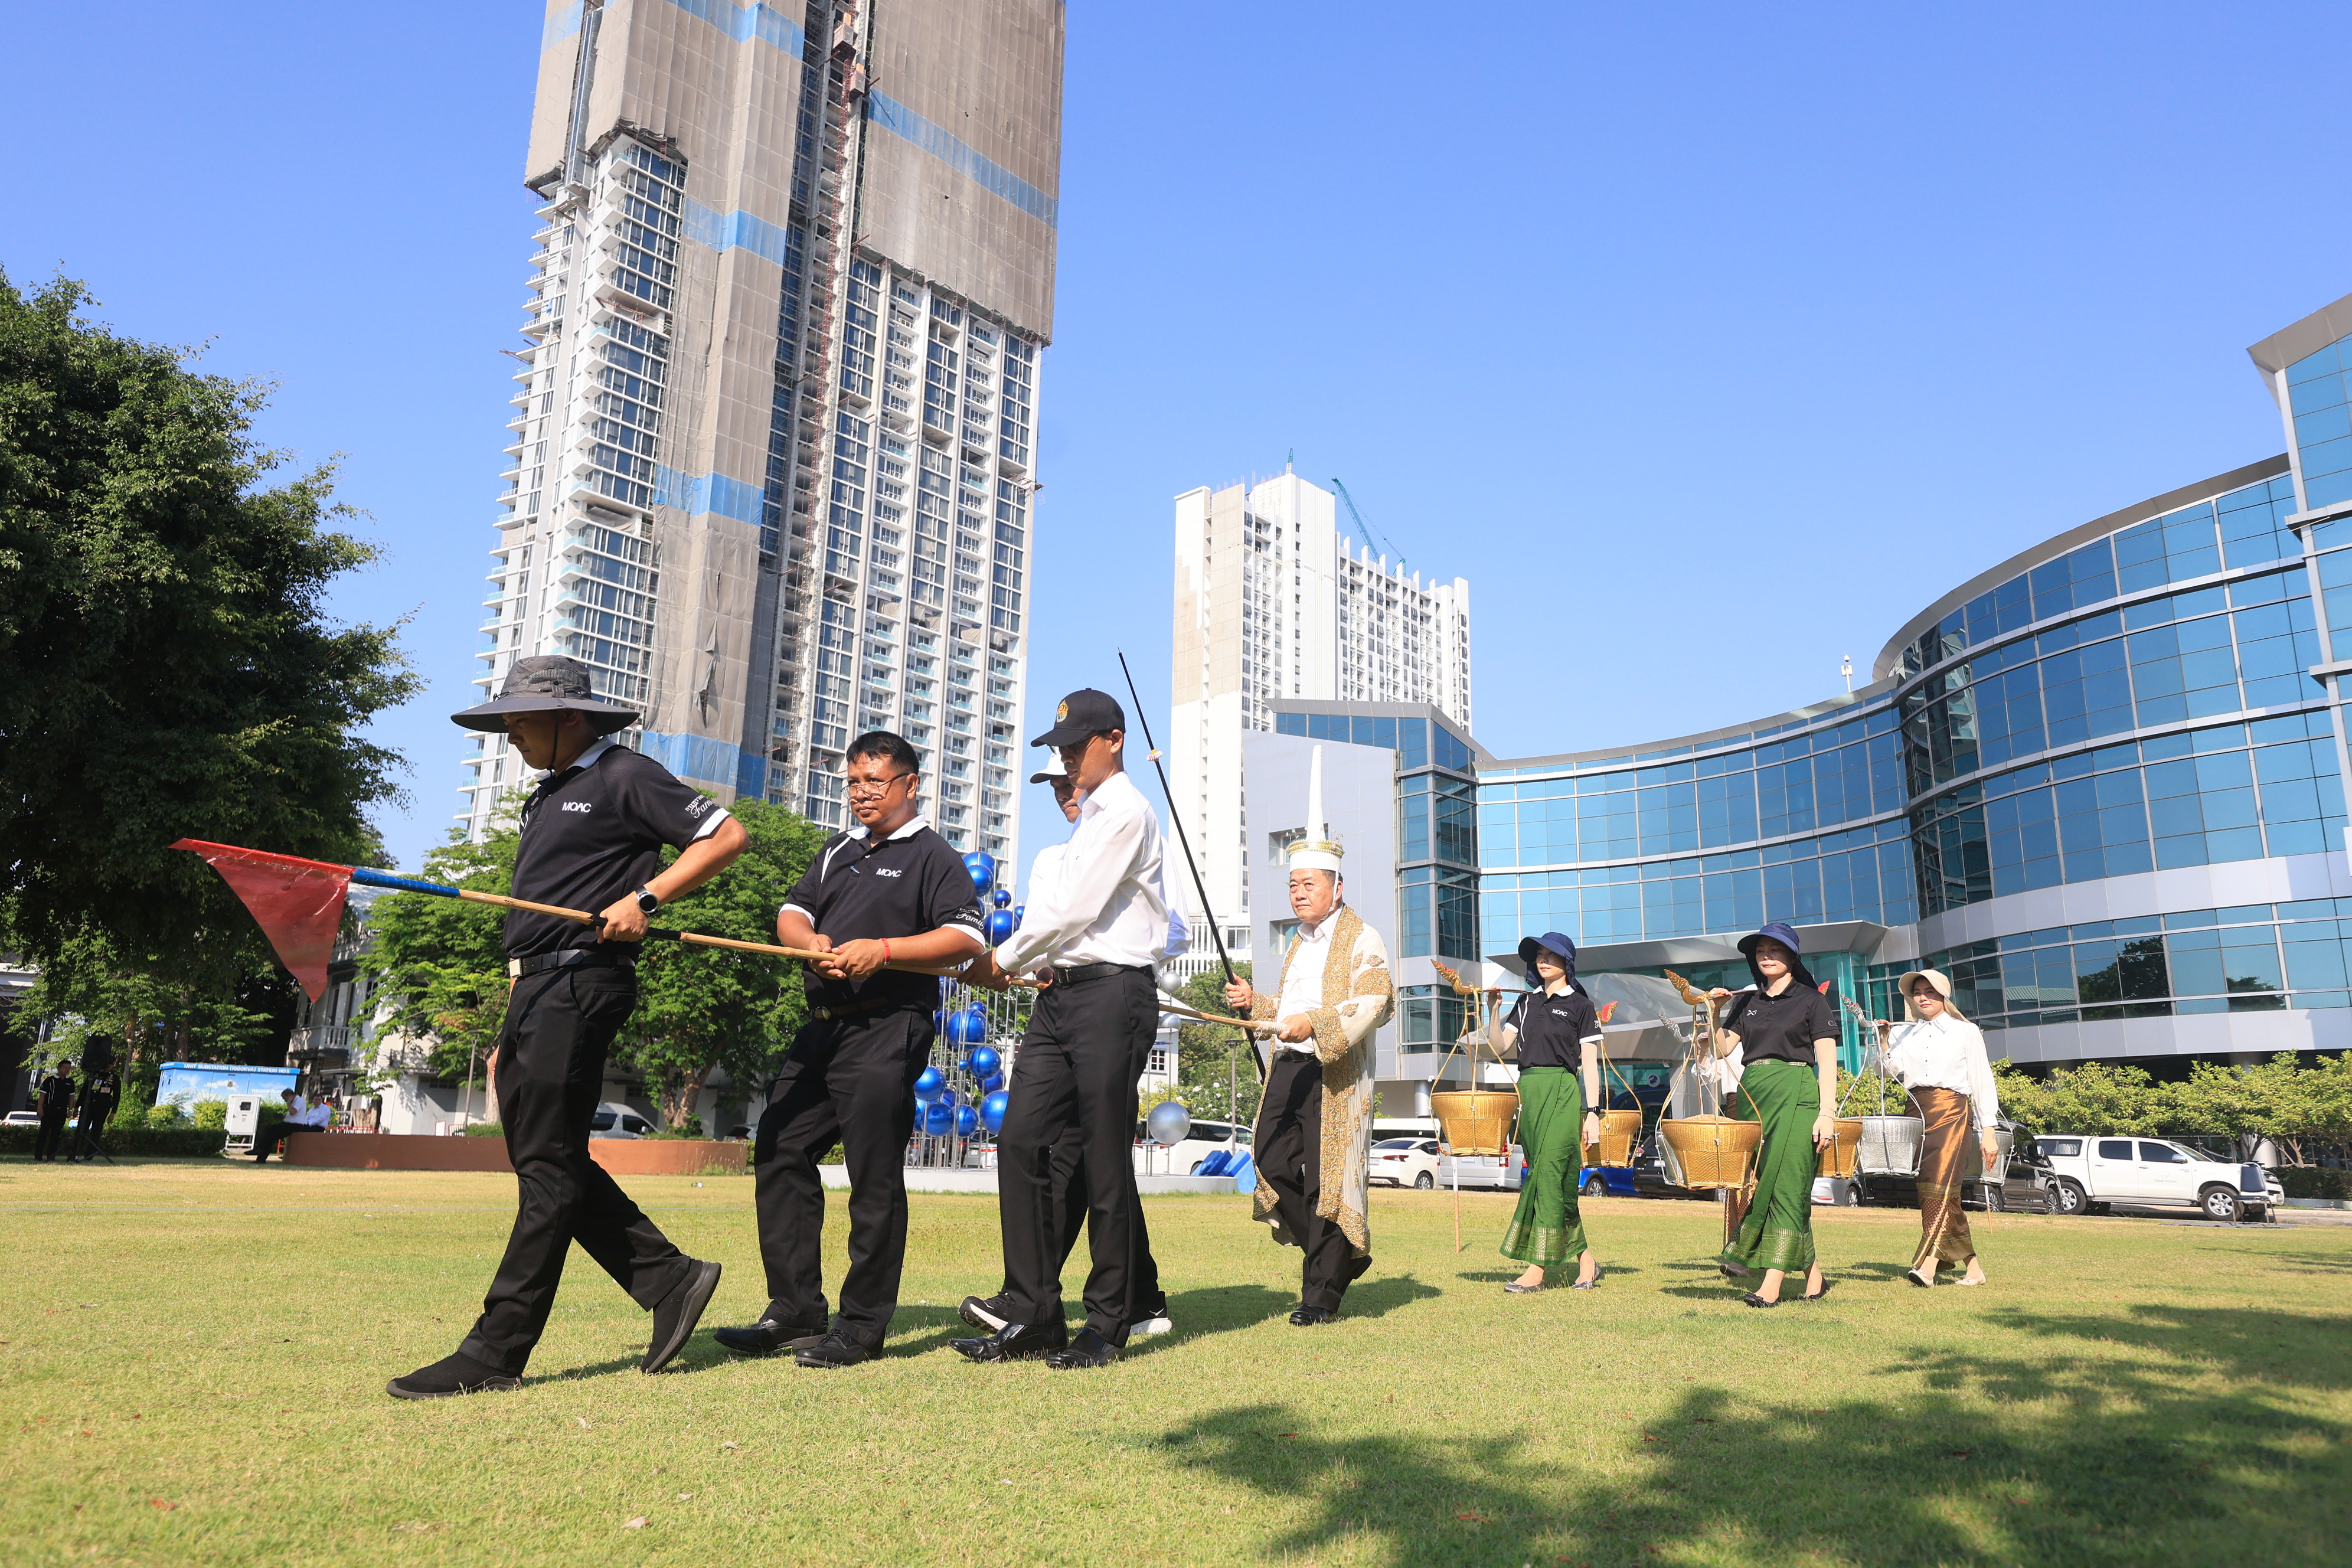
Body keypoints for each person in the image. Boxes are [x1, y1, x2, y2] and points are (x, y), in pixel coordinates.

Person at [387, 655, 748, 1400]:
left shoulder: (624, 774)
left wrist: (645, 898)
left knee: (548, 1166)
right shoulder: (550, 794)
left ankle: (496, 1349)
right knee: (541, 1155)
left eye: (522, 720)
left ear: (570, 720)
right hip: (533, 988)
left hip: (584, 979)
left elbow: (726, 836)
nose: (511, 734)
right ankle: (669, 1277)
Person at [711, 730, 985, 1369]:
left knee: (874, 1173)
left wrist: (883, 949)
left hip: (889, 1023)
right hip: (824, 1023)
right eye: (854, 781)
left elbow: (966, 937)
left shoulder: (933, 856)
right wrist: (808, 942)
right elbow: (791, 911)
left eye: (876, 781)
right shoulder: (837, 849)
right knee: (780, 1146)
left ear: (910, 785)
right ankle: (796, 1310)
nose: (863, 793)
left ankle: (861, 1324)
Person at [955, 688, 1172, 1369]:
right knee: (1019, 1137)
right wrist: (1023, 961)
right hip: (1059, 996)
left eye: (1077, 745)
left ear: (1114, 738)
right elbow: (1060, 918)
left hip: (1113, 996)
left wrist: (1000, 959)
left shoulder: (1128, 812)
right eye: (1062, 748)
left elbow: (1075, 910)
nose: (1068, 758)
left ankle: (1107, 1322)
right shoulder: (1088, 821)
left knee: (1103, 1156)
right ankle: (1032, 1310)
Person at [1221, 746, 1394, 1325]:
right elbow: (1285, 1010)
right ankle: (1336, 1254)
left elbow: (1377, 999)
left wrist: (1316, 1023)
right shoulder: (1295, 943)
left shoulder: (1364, 937)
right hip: (1288, 1067)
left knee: (1326, 1179)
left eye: (1310, 884)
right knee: (1269, 1165)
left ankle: (1321, 1294)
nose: (1298, 892)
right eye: (1294, 884)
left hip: (1333, 1071)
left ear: (1336, 887)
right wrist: (1256, 1004)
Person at [1709, 921, 1838, 1307]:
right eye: (1761, 950)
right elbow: (1720, 1049)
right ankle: (1814, 1279)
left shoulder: (1812, 1000)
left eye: (1775, 949)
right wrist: (1714, 1013)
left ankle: (1771, 1285)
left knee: (1785, 1181)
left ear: (1792, 956)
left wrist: (1827, 1112)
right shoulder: (1745, 1001)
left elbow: (1827, 1060)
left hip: (1797, 1092)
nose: (1766, 955)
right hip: (1753, 1095)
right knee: (1780, 1183)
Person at [1487, 933, 1606, 1292]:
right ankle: (1586, 1261)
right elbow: (1499, 1046)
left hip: (1563, 1092)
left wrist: (1593, 1113)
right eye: (1539, 955)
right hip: (1531, 1092)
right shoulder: (1524, 1003)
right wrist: (1493, 1009)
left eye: (1550, 955)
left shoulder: (1581, 1006)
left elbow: (1590, 1063)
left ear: (1566, 962)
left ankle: (1536, 1270)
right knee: (1546, 1175)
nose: (1542, 960)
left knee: (1549, 1174)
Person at [1873, 969, 2000, 1288]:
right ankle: (1973, 1269)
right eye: (1917, 992)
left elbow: (1982, 1080)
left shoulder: (1966, 1031)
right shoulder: (1904, 1033)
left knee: (1942, 1186)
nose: (1923, 997)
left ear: (1944, 994)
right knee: (1932, 1188)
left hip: (1953, 1112)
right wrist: (1884, 1039)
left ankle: (1928, 1267)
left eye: (1930, 991)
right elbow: (1886, 1073)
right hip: (1915, 1114)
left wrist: (1988, 1131)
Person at [253, 1089, 319, 1162]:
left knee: (270, 1136)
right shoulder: (294, 1101)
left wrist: (288, 1103)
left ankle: (260, 1155)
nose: (284, 1101)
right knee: (268, 1129)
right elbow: (294, 1114)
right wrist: (284, 1116)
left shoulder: (299, 1101)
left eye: (285, 1099)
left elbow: (293, 1111)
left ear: (290, 1096)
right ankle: (259, 1151)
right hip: (288, 1123)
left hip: (294, 1126)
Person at [69, 1069, 116, 1162]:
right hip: (88, 1107)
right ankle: (74, 1155)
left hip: (102, 1108)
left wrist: (113, 1112)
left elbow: (116, 1096)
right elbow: (84, 1091)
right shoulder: (93, 1075)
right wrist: (77, 1106)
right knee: (81, 1130)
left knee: (96, 1132)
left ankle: (89, 1157)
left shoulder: (114, 1078)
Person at [32, 1064, 71, 1163]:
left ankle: (52, 1155)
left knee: (56, 1134)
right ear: (59, 1068)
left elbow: (72, 1096)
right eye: (65, 1068)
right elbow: (42, 1095)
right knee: (44, 1132)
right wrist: (40, 1108)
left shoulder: (70, 1081)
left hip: (61, 1110)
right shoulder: (50, 1080)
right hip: (49, 1109)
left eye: (69, 1068)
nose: (67, 1070)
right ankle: (38, 1155)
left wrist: (70, 1110)